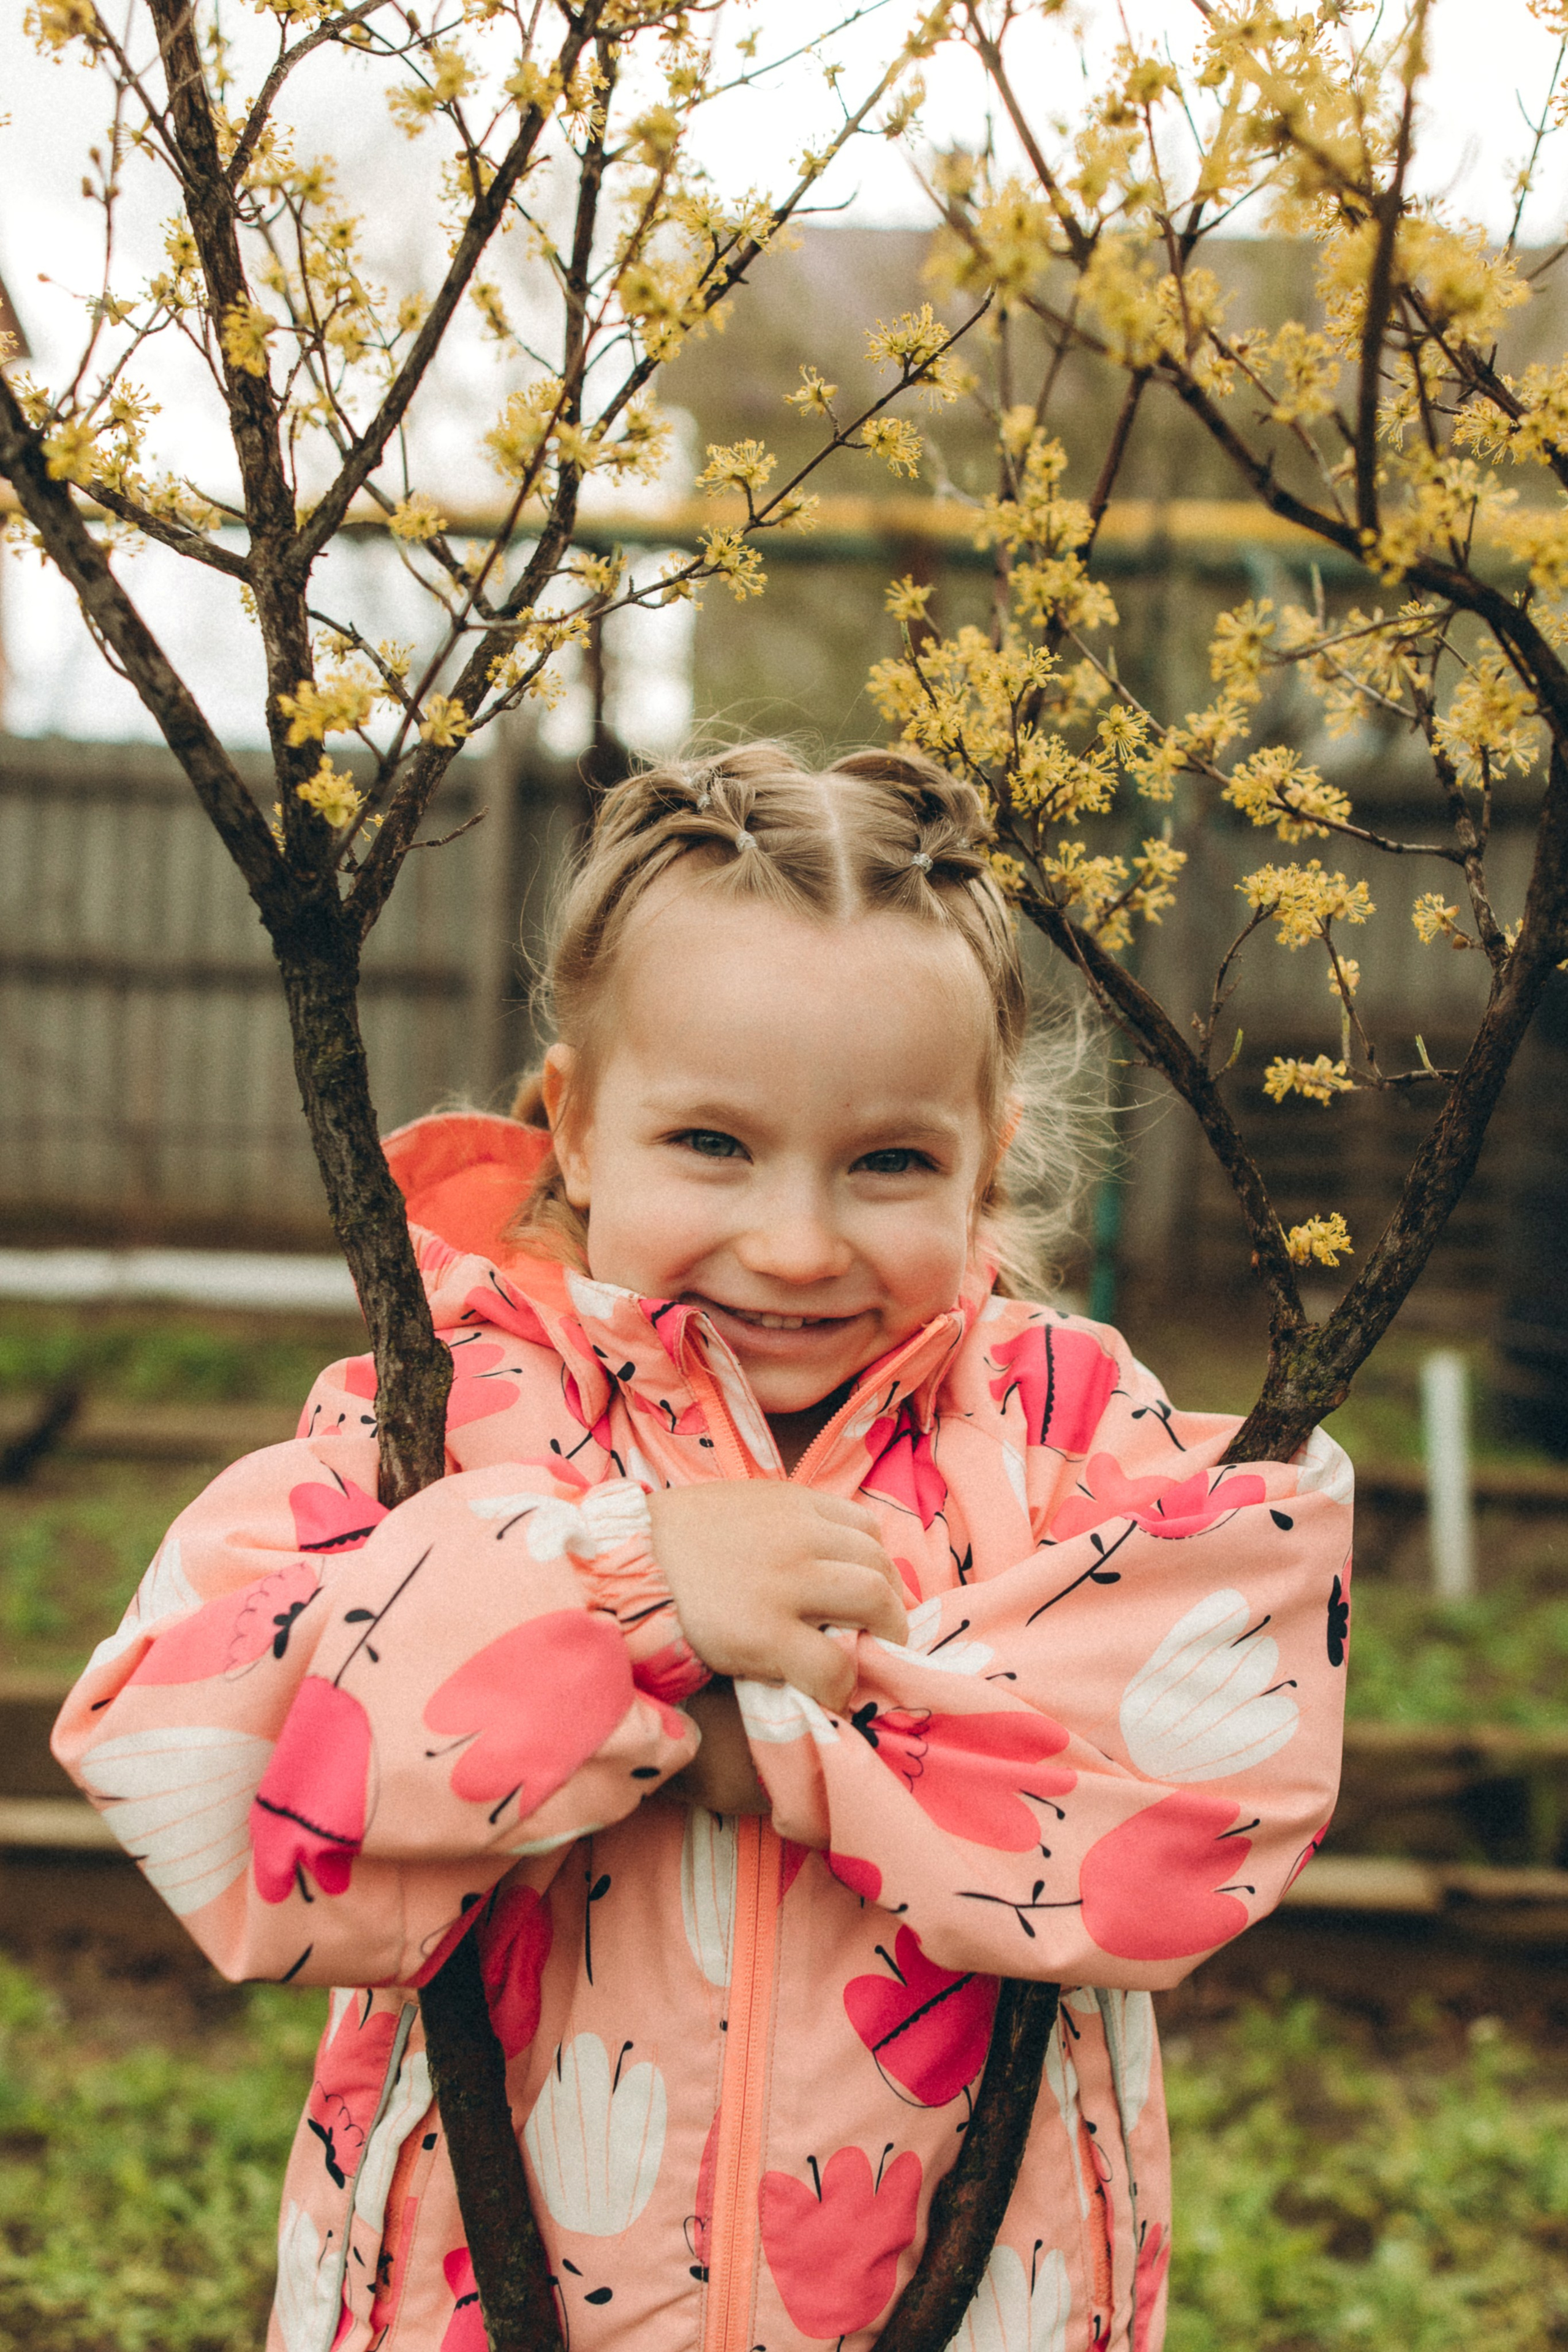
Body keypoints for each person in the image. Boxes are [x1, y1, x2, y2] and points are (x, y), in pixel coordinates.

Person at [53, 744, 1352, 2352]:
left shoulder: (1075, 1430)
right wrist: (635, 1591)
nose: (797, 1243)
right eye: (714, 1147)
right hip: (484, 2299)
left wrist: (767, 1750)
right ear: (580, 1127)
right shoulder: (446, 1410)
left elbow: (1224, 1780)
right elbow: (181, 1741)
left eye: (890, 1161)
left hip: (971, 2301)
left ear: (989, 1153)